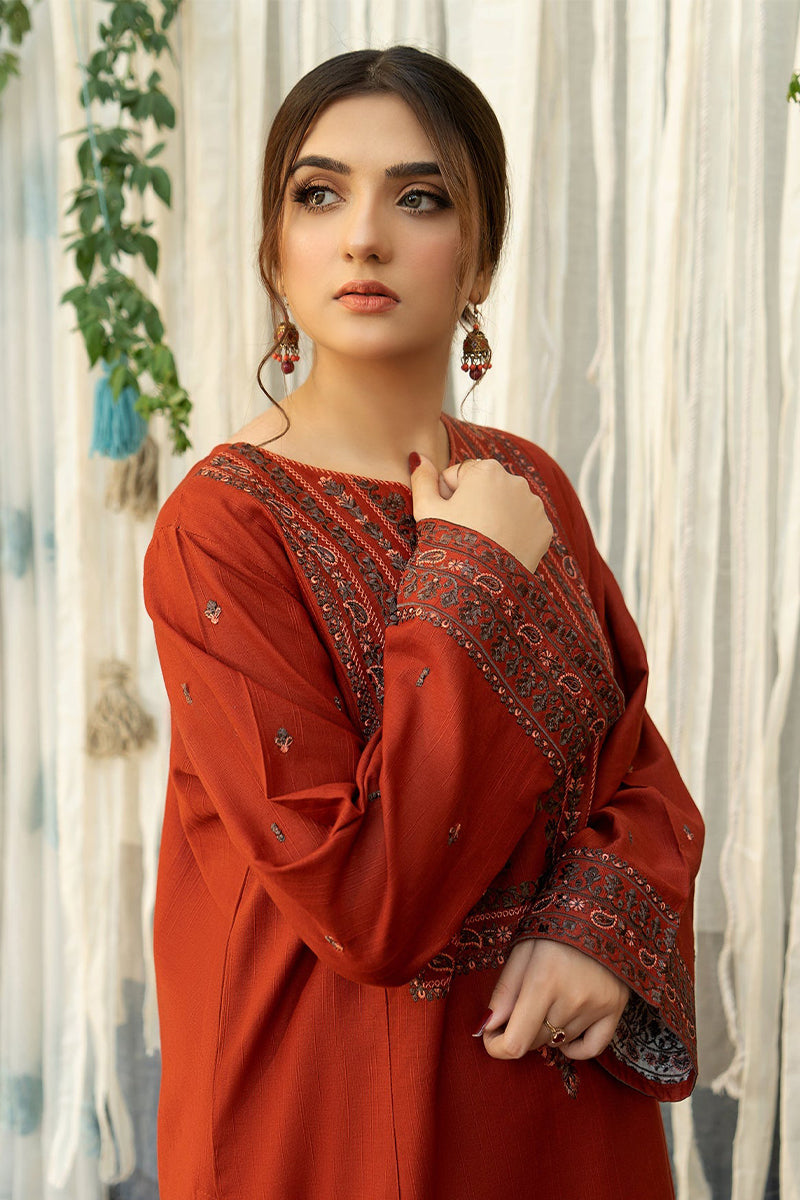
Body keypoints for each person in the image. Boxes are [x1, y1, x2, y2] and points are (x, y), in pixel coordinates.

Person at [143, 45, 704, 1200]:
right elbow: (362, 907)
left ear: (480, 256)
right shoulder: (222, 524)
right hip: (338, 1117)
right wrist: (468, 570)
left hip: (557, 1097)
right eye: (318, 194)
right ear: (274, 251)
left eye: (418, 197)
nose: (362, 237)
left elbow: (636, 770)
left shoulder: (526, 482)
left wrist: (594, 933)